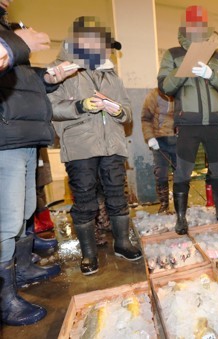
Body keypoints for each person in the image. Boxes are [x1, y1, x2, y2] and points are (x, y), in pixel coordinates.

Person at [0, 0, 75, 326]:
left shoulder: (6, 26)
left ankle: (24, 268)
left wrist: (51, 76)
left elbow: (22, 80)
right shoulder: (10, 36)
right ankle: (4, 299)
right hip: (5, 136)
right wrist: (15, 44)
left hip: (25, 135)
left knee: (26, 209)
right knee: (7, 220)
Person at [48, 16, 142, 276]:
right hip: (80, 146)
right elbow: (51, 107)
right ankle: (89, 254)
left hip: (112, 144)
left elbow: (128, 110)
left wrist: (117, 110)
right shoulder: (61, 69)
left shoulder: (111, 74)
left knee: (117, 195)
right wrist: (80, 105)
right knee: (85, 200)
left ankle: (122, 243)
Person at [158, 6, 218, 235]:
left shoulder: (217, 56)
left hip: (215, 122)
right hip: (188, 123)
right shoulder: (172, 54)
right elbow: (164, 86)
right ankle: (181, 218)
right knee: (183, 170)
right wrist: (184, 71)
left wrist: (210, 74)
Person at [141, 88, 177, 214]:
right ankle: (164, 205)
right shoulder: (153, 95)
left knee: (181, 173)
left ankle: (180, 205)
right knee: (161, 173)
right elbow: (146, 118)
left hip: (178, 139)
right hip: (159, 140)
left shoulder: (180, 93)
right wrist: (150, 137)